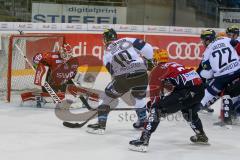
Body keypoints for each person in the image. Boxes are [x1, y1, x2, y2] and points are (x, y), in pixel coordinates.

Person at [129, 49, 208, 152]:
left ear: (155, 60)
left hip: (186, 91)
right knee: (188, 111)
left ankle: (143, 141)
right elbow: (172, 88)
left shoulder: (157, 70)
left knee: (157, 109)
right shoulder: (173, 65)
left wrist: (153, 106)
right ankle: (201, 135)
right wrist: (162, 102)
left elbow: (156, 96)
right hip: (199, 90)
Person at [86, 28, 154, 134]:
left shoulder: (106, 54)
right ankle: (143, 121)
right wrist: (149, 62)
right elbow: (148, 48)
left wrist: (121, 85)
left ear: (104, 39)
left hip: (123, 77)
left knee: (105, 97)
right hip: (141, 74)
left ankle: (100, 126)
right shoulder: (127, 40)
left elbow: (113, 73)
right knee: (139, 96)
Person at [198, 29, 240, 125]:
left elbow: (205, 69)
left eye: (203, 40)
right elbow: (236, 43)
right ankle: (232, 113)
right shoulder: (225, 39)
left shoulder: (206, 52)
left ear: (208, 40)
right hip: (237, 70)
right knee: (230, 92)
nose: (202, 42)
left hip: (222, 77)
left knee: (217, 92)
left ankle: (195, 107)